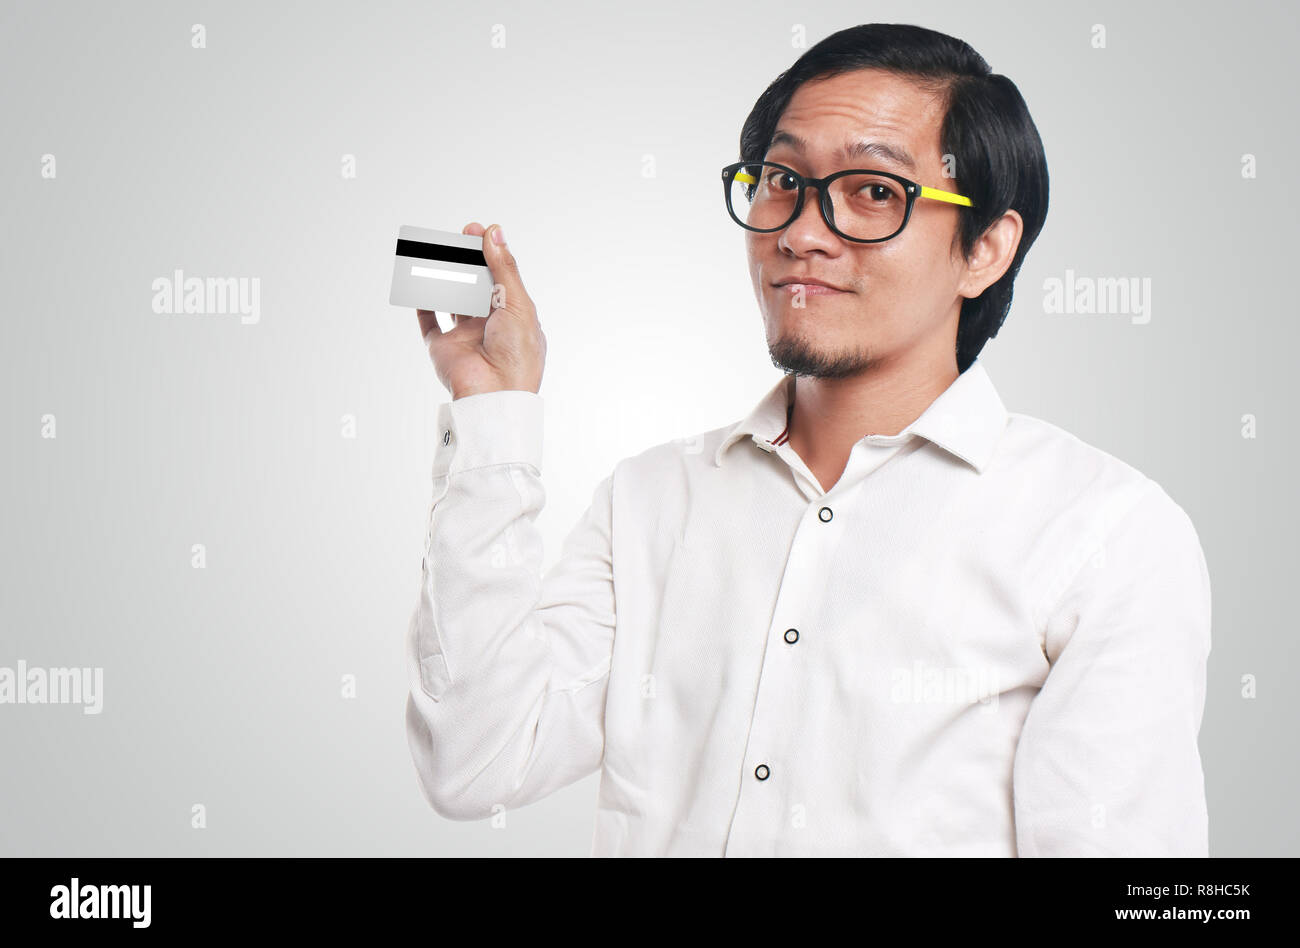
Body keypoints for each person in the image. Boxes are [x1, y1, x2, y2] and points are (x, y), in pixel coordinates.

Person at [404, 23, 1211, 857]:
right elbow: (475, 763)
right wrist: (494, 411)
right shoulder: (649, 500)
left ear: (985, 250)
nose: (801, 232)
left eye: (874, 191)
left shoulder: (1104, 534)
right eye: (783, 180)